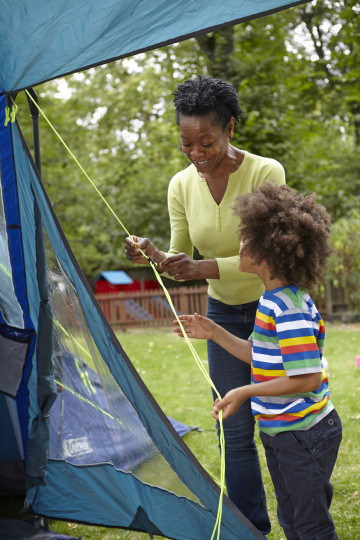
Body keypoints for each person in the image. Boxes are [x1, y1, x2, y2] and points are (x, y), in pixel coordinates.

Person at [125, 75, 285, 534]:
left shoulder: (265, 173)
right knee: (231, 427)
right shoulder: (180, 185)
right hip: (221, 313)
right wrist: (155, 256)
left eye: (206, 141)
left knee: (283, 420)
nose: (196, 152)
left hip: (272, 306)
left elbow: (269, 256)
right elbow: (182, 257)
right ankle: (250, 527)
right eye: (186, 143)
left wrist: (201, 268)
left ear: (230, 128)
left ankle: (305, 512)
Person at [174, 181, 342, 540]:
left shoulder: (289, 307)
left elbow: (309, 379)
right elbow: (259, 354)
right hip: (282, 431)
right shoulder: (271, 300)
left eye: (246, 238)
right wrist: (215, 332)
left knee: (310, 523)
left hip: (305, 433)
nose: (240, 244)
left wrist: (246, 391)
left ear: (268, 250)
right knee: (292, 518)